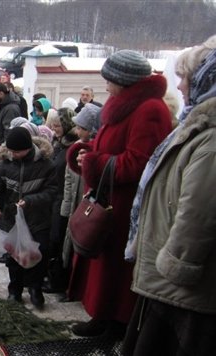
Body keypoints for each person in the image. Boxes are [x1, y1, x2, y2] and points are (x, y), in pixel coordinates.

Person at [66, 49, 172, 337]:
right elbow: (106, 148)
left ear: (123, 80)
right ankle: (103, 315)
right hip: (109, 198)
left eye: (109, 79)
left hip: (123, 208)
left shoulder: (149, 109)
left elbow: (139, 162)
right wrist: (84, 153)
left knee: (115, 270)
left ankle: (116, 321)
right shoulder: (123, 104)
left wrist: (93, 162)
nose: (105, 85)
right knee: (103, 266)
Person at [122, 36, 216, 356]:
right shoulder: (194, 126)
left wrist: (174, 264)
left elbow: (199, 211)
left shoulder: (210, 138)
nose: (180, 84)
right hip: (167, 282)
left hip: (181, 287)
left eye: (186, 76)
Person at [0, 127, 57, 308]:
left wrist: (30, 201)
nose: (13, 154)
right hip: (12, 218)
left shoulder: (46, 165)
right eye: (11, 150)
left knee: (39, 255)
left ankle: (35, 289)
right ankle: (14, 290)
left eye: (17, 151)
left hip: (38, 219)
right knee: (14, 257)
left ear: (28, 148)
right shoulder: (3, 166)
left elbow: (52, 191)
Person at [59, 103, 101, 302]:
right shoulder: (76, 148)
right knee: (69, 245)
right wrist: (67, 207)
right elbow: (68, 179)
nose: (76, 131)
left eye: (81, 128)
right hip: (74, 206)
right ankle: (67, 284)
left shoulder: (97, 151)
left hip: (88, 209)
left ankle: (76, 288)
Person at [44, 107, 78, 296]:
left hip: (63, 198)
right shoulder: (59, 143)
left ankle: (59, 281)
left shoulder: (72, 146)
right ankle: (51, 275)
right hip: (54, 196)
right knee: (52, 238)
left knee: (58, 239)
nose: (54, 128)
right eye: (53, 125)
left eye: (57, 125)